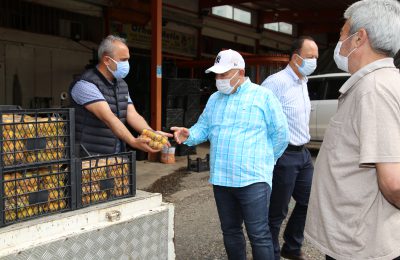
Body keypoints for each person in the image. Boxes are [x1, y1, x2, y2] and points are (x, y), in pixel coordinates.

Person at [171, 49, 289, 260]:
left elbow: (281, 134)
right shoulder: (215, 99)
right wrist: (188, 134)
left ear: (240, 71)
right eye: (217, 75)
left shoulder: (263, 96)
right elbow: (203, 127)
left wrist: (266, 161)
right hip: (222, 178)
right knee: (231, 231)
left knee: (259, 234)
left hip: (253, 179)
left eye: (224, 74)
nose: (219, 79)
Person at [304, 0, 400, 259]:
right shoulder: (374, 84)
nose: (340, 42)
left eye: (342, 35)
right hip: (356, 238)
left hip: (360, 246)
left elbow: (393, 183)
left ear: (359, 38)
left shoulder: (375, 89)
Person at [261, 36, 318, 260]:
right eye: (311, 57)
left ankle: (291, 246)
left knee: (309, 200)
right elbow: (261, 118)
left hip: (303, 154)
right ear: (296, 57)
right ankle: (271, 253)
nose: (314, 61)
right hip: (283, 154)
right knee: (277, 211)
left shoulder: (303, 81)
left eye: (315, 57)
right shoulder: (275, 83)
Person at [70, 35, 171, 155]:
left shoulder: (121, 84)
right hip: (89, 155)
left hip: (115, 153)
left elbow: (132, 114)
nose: (127, 64)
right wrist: (133, 141)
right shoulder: (86, 84)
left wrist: (151, 133)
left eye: (128, 59)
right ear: (107, 60)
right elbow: (108, 117)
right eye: (123, 60)